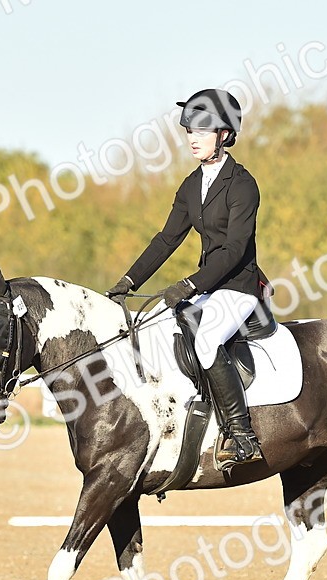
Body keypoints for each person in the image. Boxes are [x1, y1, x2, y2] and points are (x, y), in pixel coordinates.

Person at [107, 88, 267, 471]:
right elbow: (167, 240)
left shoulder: (243, 185)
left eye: (202, 131)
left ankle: (241, 435)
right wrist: (128, 280)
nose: (192, 138)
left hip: (239, 286)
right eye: (189, 131)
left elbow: (234, 249)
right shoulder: (191, 186)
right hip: (209, 287)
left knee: (208, 340)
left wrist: (190, 284)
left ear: (224, 134)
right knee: (159, 327)